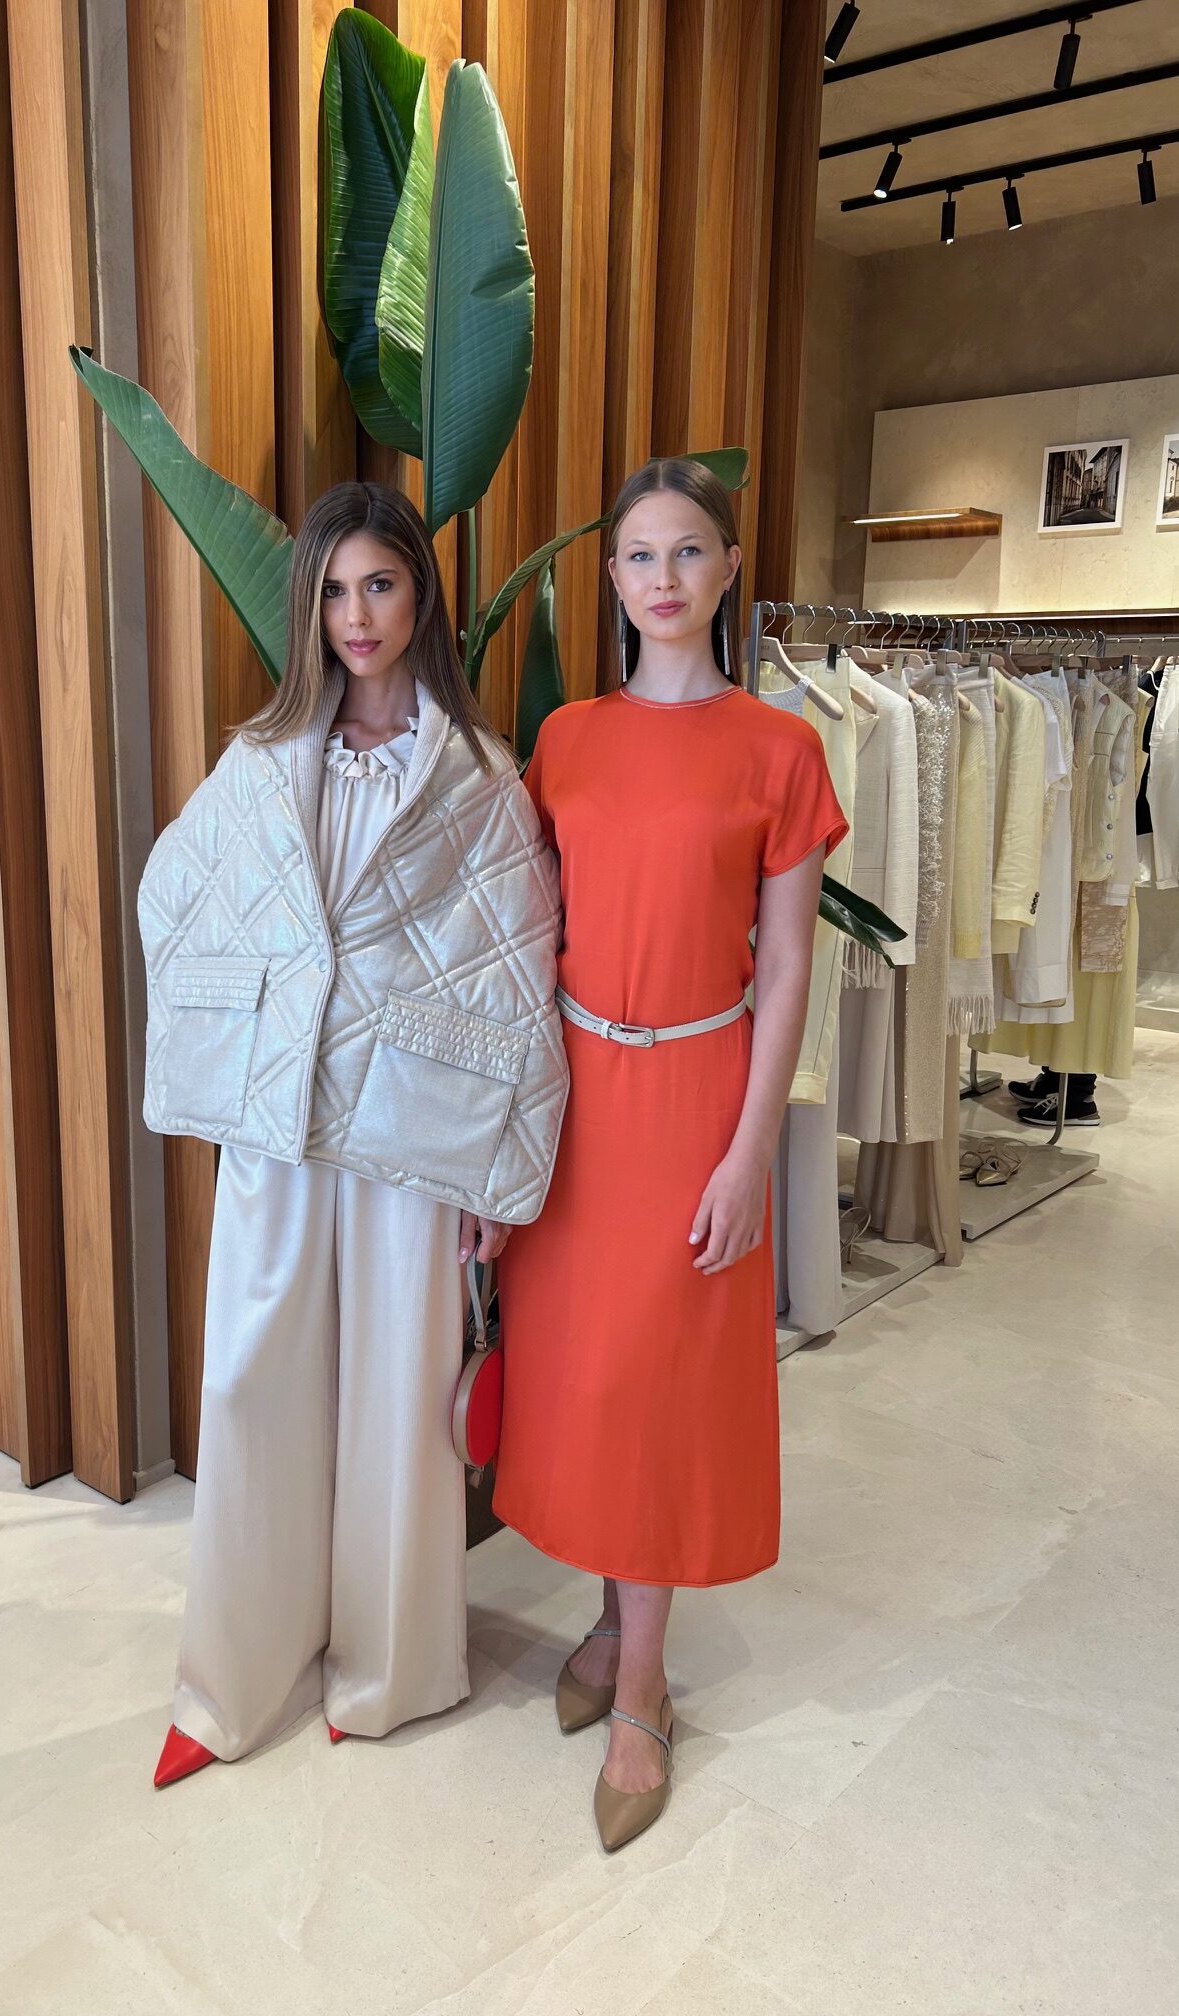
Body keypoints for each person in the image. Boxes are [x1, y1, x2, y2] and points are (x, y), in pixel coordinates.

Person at [138, 481, 568, 1782]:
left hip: (413, 1129)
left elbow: (519, 972)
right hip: (278, 1124)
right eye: (332, 590)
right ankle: (230, 1679)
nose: (356, 615)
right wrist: (239, 1035)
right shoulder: (263, 759)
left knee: (396, 1398)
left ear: (418, 594)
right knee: (250, 1384)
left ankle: (391, 1665)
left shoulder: (479, 774)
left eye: (379, 583)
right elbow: (177, 900)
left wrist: (500, 1172)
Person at [493, 457, 849, 1852]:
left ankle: (642, 1686)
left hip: (700, 1096)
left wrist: (751, 1149)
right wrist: (501, 1137)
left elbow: (790, 967)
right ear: (613, 579)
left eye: (689, 551)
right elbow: (524, 936)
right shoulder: (567, 739)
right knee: (591, 1384)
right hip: (574, 1095)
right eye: (640, 555)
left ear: (729, 567)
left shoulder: (779, 750)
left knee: (659, 1390)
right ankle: (606, 1628)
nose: (664, 578)